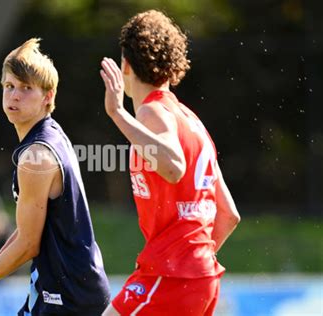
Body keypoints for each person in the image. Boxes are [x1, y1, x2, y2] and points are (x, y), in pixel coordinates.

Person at [0, 38, 111, 315]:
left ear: (48, 96)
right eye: (9, 86)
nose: (14, 96)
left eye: (26, 88)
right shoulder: (49, 135)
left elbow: (29, 244)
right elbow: (29, 230)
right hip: (69, 289)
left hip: (67, 297)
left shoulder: (35, 156)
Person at [100, 10, 240, 316]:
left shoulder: (151, 113)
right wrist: (194, 264)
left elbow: (173, 165)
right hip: (199, 277)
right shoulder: (192, 122)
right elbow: (229, 215)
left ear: (125, 65)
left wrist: (117, 114)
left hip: (171, 275)